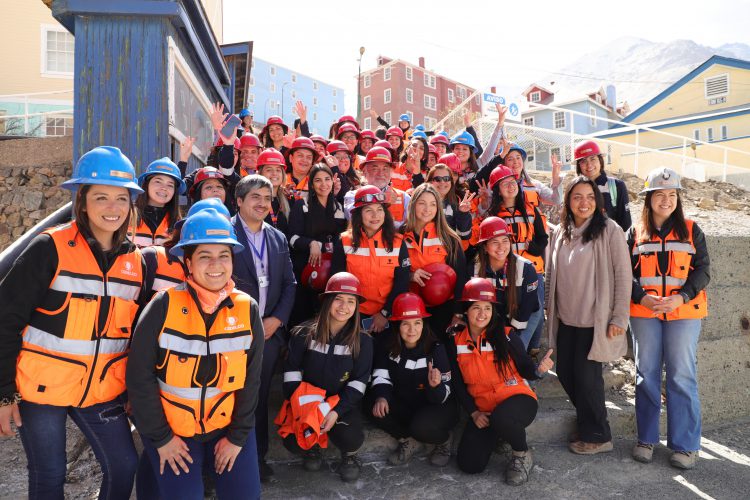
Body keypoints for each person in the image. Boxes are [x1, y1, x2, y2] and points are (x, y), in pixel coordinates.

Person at [0, 146, 145, 499]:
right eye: (101, 198)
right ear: (82, 202)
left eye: (121, 199)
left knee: (125, 465)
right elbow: (5, 319)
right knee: (49, 475)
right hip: (42, 390)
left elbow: (125, 338)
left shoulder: (134, 261)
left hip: (100, 393)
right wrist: (4, 394)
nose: (113, 209)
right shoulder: (48, 247)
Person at [127, 209, 263, 499]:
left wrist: (237, 438)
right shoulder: (162, 306)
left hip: (227, 427)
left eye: (224, 255)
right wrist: (162, 439)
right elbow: (139, 378)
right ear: (188, 262)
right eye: (205, 256)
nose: (216, 264)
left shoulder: (247, 309)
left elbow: (251, 383)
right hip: (173, 433)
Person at [627, 167, 710, 470]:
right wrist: (642, 298)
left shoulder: (692, 230)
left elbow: (703, 271)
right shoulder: (634, 233)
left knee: (681, 375)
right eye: (659, 195)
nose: (666, 200)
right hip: (645, 312)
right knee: (646, 373)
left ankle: (685, 446)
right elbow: (624, 275)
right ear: (648, 199)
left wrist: (681, 296)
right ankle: (646, 439)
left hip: (683, 312)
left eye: (672, 195)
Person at [546, 176, 632, 455]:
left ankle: (598, 434)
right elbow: (551, 274)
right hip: (567, 319)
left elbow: (623, 275)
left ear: (598, 200)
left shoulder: (610, 230)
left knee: (587, 380)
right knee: (566, 374)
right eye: (577, 197)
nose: (584, 203)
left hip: (594, 322)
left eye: (590, 197)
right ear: (568, 202)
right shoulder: (561, 231)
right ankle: (587, 421)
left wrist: (619, 317)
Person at [451, 278, 554, 484]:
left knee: (502, 418)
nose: (482, 314)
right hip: (484, 410)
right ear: (466, 311)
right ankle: (501, 435)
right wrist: (473, 412)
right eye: (476, 308)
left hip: (518, 400)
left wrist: (538, 370)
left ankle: (521, 454)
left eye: (487, 308)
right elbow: (458, 384)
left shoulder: (505, 335)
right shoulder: (455, 341)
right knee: (469, 465)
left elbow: (526, 368)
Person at [231, 175, 297, 481]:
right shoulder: (224, 234)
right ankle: (217, 464)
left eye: (267, 198)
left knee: (255, 399)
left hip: (268, 333)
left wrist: (277, 319)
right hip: (229, 333)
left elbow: (289, 284)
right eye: (255, 197)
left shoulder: (277, 237)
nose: (262, 203)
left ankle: (257, 460)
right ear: (240, 201)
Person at [282, 272, 373, 482]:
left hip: (339, 404)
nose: (344, 306)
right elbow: (291, 373)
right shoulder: (303, 333)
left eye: (351, 301)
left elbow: (359, 383)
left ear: (357, 307)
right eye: (338, 299)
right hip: (306, 402)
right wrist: (306, 409)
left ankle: (349, 456)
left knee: (351, 438)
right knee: (292, 442)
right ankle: (312, 445)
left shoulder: (363, 341)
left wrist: (335, 411)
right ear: (327, 301)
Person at [368, 293, 458, 467]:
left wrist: (436, 386)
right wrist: (381, 396)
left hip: (436, 405)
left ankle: (443, 441)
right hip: (406, 401)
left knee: (421, 427)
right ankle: (407, 440)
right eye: (405, 324)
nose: (412, 330)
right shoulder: (387, 344)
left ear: (424, 324)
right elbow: (381, 374)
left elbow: (445, 395)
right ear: (396, 325)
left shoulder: (436, 348)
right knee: (373, 404)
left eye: (417, 323)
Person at [481, 165, 548, 349]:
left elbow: (543, 239)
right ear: (497, 191)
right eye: (504, 184)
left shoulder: (531, 210)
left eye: (513, 182)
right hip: (506, 271)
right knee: (512, 310)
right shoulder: (493, 215)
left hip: (533, 270)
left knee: (536, 309)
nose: (510, 187)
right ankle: (514, 347)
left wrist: (533, 248)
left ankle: (531, 349)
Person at [332, 186, 410, 337]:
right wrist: (348, 314)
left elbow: (402, 283)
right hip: (351, 315)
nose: (375, 215)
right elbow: (337, 282)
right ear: (358, 214)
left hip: (386, 316)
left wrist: (384, 314)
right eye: (368, 210)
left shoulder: (398, 243)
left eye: (380, 209)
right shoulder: (345, 241)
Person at [402, 183, 468, 340]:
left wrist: (458, 312)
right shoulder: (399, 235)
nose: (427, 209)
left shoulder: (449, 238)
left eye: (433, 204)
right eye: (422, 203)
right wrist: (410, 276)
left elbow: (461, 277)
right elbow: (391, 271)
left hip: (443, 308)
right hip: (411, 307)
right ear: (412, 205)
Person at [287, 164, 347, 325]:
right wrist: (310, 243)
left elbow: (341, 239)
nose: (324, 184)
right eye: (318, 180)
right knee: (303, 319)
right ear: (311, 184)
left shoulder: (339, 208)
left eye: (327, 179)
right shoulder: (302, 205)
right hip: (304, 272)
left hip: (330, 272)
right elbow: (291, 238)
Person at [471, 217, 540, 335]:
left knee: (515, 350)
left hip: (523, 318)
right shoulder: (474, 269)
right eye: (494, 242)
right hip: (492, 319)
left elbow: (526, 308)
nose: (501, 247)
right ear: (484, 247)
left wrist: (509, 336)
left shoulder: (526, 269)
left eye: (505, 241)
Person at [343, 146, 411, 228]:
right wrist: (382, 200)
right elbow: (354, 220)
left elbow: (408, 227)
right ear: (364, 172)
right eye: (375, 169)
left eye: (385, 169)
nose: (381, 173)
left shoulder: (405, 198)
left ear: (391, 172)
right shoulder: (352, 196)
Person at [574, 140, 631, 230]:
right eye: (583, 161)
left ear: (600, 160)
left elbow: (625, 223)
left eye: (593, 159)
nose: (589, 165)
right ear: (578, 166)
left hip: (609, 242)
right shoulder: (574, 189)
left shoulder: (616, 186)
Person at [133, 157, 186, 247]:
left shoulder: (180, 226)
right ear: (146, 184)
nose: (164, 188)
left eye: (170, 185)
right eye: (158, 182)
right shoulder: (128, 215)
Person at [426, 164, 473, 245]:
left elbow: (464, 235)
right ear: (430, 182)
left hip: (447, 255)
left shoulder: (455, 206)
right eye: (437, 179)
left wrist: (463, 214)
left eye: (446, 179)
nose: (442, 182)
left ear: (451, 182)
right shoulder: (420, 203)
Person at [256, 148, 291, 234]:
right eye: (269, 170)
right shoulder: (253, 199)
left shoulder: (289, 199)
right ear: (260, 173)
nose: (274, 173)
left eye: (278, 170)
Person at [323, 139, 361, 205]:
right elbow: (345, 198)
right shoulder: (324, 180)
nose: (343, 160)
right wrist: (334, 168)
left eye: (346, 156)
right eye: (337, 157)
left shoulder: (357, 179)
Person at [285, 136, 320, 201]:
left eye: (309, 157)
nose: (304, 160)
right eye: (300, 155)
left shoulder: (317, 184)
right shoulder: (280, 182)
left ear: (312, 161)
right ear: (291, 158)